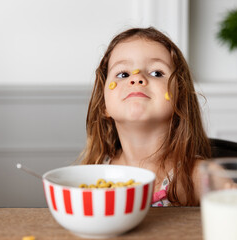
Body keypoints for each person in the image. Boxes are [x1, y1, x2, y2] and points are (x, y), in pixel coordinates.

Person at [77, 27, 211, 206]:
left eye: (156, 73)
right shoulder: (95, 173)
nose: (136, 78)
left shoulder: (197, 176)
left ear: (180, 98)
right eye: (123, 74)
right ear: (103, 104)